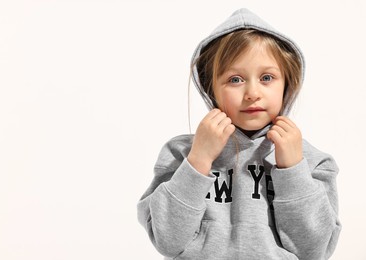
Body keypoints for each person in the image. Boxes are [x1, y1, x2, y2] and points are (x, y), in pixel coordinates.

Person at [137, 8, 341, 260]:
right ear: (210, 88)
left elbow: (314, 250)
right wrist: (198, 160)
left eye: (267, 77)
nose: (252, 92)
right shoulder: (180, 153)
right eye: (235, 79)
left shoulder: (313, 162)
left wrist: (292, 169)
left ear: (287, 83)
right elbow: (167, 240)